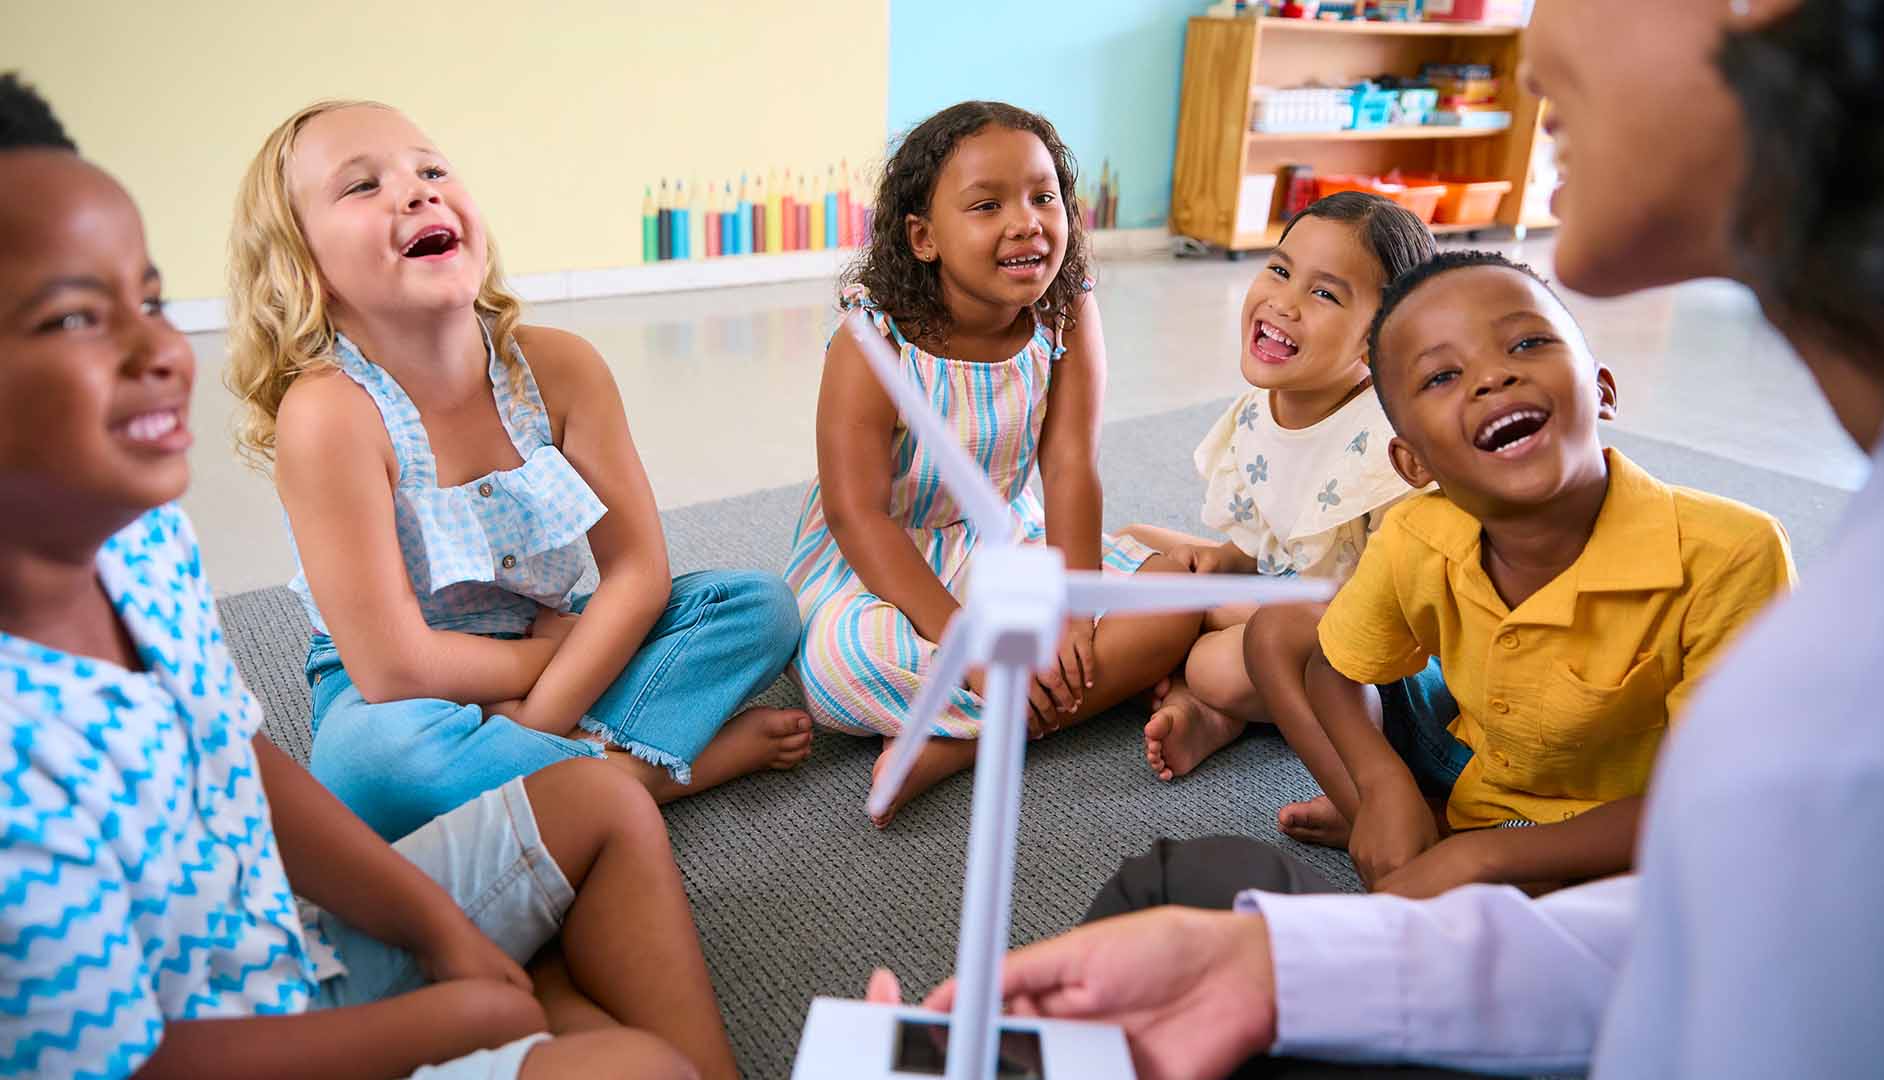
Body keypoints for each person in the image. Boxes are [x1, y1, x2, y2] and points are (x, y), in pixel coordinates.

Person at [869, 0, 1884, 1075]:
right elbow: (1679, 952)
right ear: (1412, 454)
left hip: (1550, 873)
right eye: (1440, 376)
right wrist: (1315, 943)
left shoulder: (1801, 614)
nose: (1531, 49)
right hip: (1502, 861)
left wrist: (1467, 873)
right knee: (1182, 876)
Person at [0, 74, 733, 1079]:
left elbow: (244, 760)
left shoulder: (140, 546)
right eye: (78, 318)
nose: (164, 349)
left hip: (302, 941)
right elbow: (130, 1066)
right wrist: (456, 1017)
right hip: (224, 1040)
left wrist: (444, 932)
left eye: (152, 299)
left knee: (607, 801)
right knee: (629, 1061)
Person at [226, 100, 810, 841]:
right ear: (303, 264)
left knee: (757, 608)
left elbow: (636, 572)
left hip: (556, 648)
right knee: (369, 772)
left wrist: (538, 713)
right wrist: (556, 654)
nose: (416, 190)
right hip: (407, 692)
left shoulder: (562, 368)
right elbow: (394, 670)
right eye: (362, 186)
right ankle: (637, 776)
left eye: (431, 169)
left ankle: (547, 779)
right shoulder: (329, 415)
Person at [1250, 249, 1791, 897]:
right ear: (1413, 463)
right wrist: (1380, 785)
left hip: (1613, 826)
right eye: (1442, 376)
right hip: (1469, 767)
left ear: (1601, 389)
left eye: (1528, 343)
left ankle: (1442, 853)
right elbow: (1333, 672)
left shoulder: (1732, 552)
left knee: (1691, 890)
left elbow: (1718, 799)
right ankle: (1405, 828)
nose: (1492, 378)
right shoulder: (1419, 530)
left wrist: (1484, 861)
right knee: (1280, 633)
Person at [784, 101, 1200, 825]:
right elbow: (858, 514)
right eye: (987, 205)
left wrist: (1072, 612)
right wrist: (961, 637)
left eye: (1044, 197)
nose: (1026, 221)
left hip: (1002, 542)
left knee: (1167, 602)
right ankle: (1046, 702)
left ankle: (964, 741)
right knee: (837, 669)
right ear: (922, 238)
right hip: (879, 558)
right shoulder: (872, 338)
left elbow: (1071, 464)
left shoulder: (1067, 310)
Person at [1123, 192, 1437, 783]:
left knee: (1215, 662)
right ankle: (1217, 713)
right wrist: (1222, 560)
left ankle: (1210, 701)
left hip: (1377, 652)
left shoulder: (1388, 446)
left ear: (1381, 337)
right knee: (1136, 538)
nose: (1284, 302)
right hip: (1295, 591)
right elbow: (1266, 533)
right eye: (1280, 270)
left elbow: (1393, 612)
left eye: (1323, 294)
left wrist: (1226, 601)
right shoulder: (1257, 411)